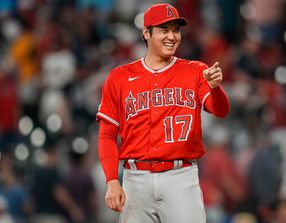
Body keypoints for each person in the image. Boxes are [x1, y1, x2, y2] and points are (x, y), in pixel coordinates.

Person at [96, 3, 230, 223]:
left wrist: (215, 88)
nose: (172, 36)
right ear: (146, 33)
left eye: (176, 30)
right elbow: (107, 134)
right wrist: (112, 180)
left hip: (180, 177)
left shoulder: (196, 71)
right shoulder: (120, 77)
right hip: (135, 179)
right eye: (164, 30)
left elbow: (221, 110)